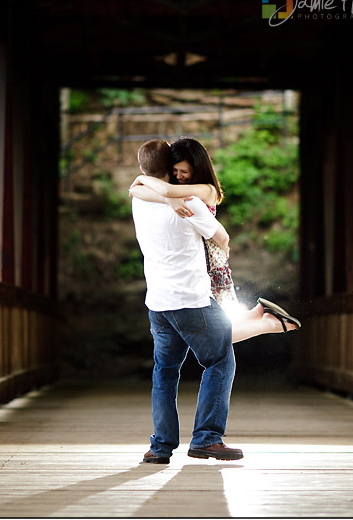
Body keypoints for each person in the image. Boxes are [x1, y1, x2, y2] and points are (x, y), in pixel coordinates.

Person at [131, 138, 243, 464]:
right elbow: (220, 236)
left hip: (158, 303)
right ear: (170, 169)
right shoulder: (191, 203)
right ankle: (207, 439)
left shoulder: (139, 199)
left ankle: (161, 447)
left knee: (165, 372)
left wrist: (164, 197)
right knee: (220, 360)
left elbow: (140, 188)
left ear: (143, 170)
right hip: (191, 299)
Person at [129, 137, 300, 342]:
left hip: (208, 263)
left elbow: (163, 190)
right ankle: (258, 313)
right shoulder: (180, 191)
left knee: (214, 336)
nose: (179, 176)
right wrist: (156, 193)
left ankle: (269, 324)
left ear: (197, 168)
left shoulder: (205, 190)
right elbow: (139, 191)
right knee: (217, 326)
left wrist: (146, 182)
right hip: (198, 258)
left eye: (184, 172)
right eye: (175, 171)